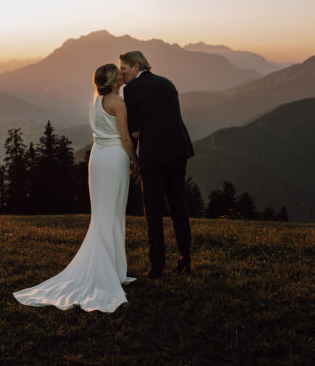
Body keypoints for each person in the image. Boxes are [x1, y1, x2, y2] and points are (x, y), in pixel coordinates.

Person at [12, 63, 137, 312]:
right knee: (113, 214)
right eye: (118, 75)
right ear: (112, 82)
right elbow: (124, 138)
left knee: (102, 214)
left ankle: (113, 268)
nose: (122, 76)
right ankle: (109, 272)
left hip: (98, 159)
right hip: (114, 159)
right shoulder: (118, 103)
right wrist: (136, 159)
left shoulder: (95, 99)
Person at [119, 50, 195, 278]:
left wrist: (132, 149)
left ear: (135, 65)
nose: (121, 74)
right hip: (178, 150)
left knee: (152, 211)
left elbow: (132, 127)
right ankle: (185, 259)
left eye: (123, 69)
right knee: (178, 206)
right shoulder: (167, 83)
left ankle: (157, 265)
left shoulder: (131, 90)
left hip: (154, 155)